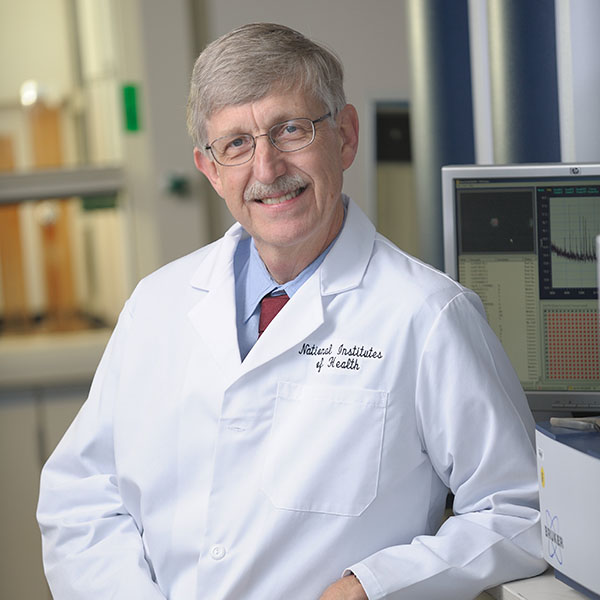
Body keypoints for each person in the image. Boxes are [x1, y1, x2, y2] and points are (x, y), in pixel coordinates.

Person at [37, 22, 546, 599]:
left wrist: (372, 585)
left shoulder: (426, 314)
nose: (268, 168)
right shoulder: (157, 305)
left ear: (346, 136)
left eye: (291, 130)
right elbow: (81, 494)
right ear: (209, 169)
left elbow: (519, 510)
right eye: (236, 144)